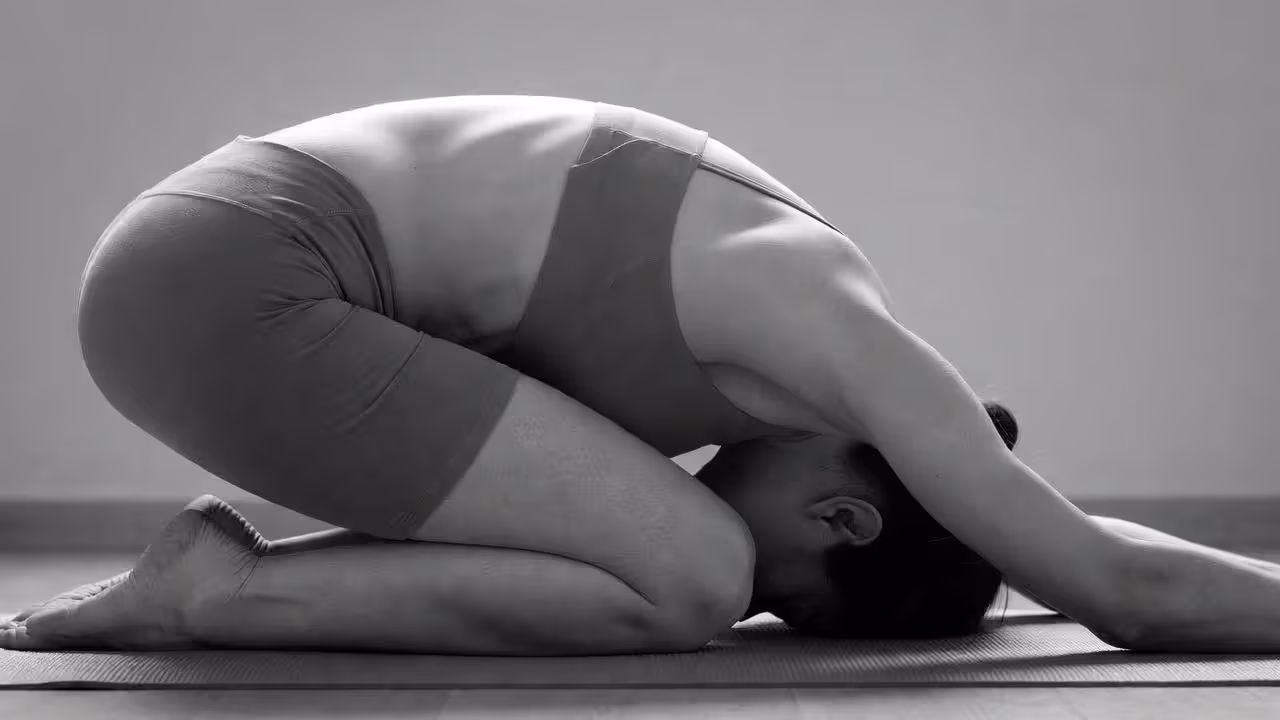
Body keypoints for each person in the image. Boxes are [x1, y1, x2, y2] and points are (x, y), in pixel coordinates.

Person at [3, 96, 1276, 656]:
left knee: (648, 543)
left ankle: (209, 584)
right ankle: (214, 594)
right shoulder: (836, 337)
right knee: (683, 576)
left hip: (204, 253)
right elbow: (1117, 589)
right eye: (786, 594)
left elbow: (1048, 540)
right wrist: (729, 585)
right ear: (842, 517)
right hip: (244, 281)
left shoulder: (819, 348)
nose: (751, 601)